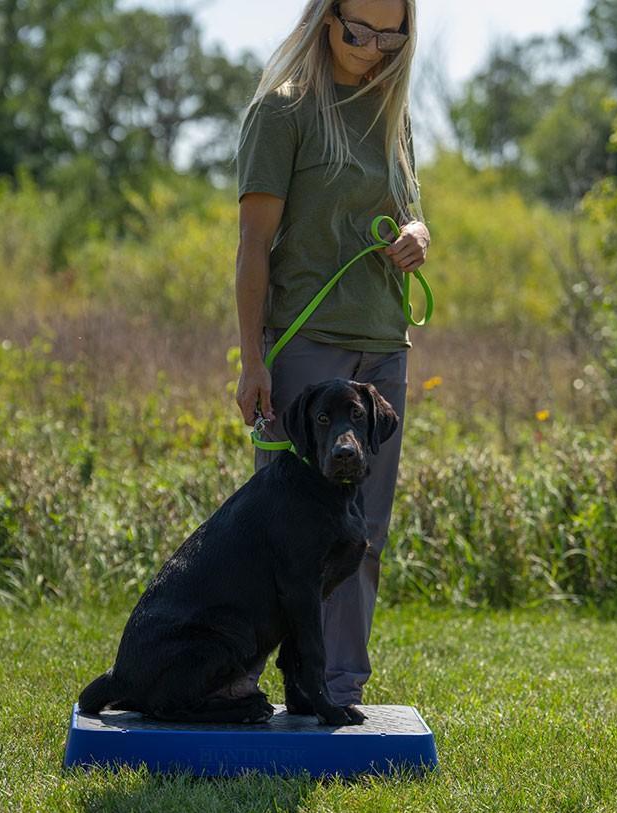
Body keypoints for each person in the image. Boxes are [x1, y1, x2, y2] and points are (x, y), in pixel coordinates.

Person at [234, 0, 431, 708]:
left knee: (361, 533)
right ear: (327, 18)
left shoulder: (391, 112)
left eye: (391, 34)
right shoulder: (281, 112)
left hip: (383, 345)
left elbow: (410, 207)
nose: (374, 48)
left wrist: (417, 235)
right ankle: (242, 679)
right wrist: (254, 361)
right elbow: (253, 246)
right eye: (359, 31)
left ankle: (339, 688)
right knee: (285, 532)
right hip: (304, 352)